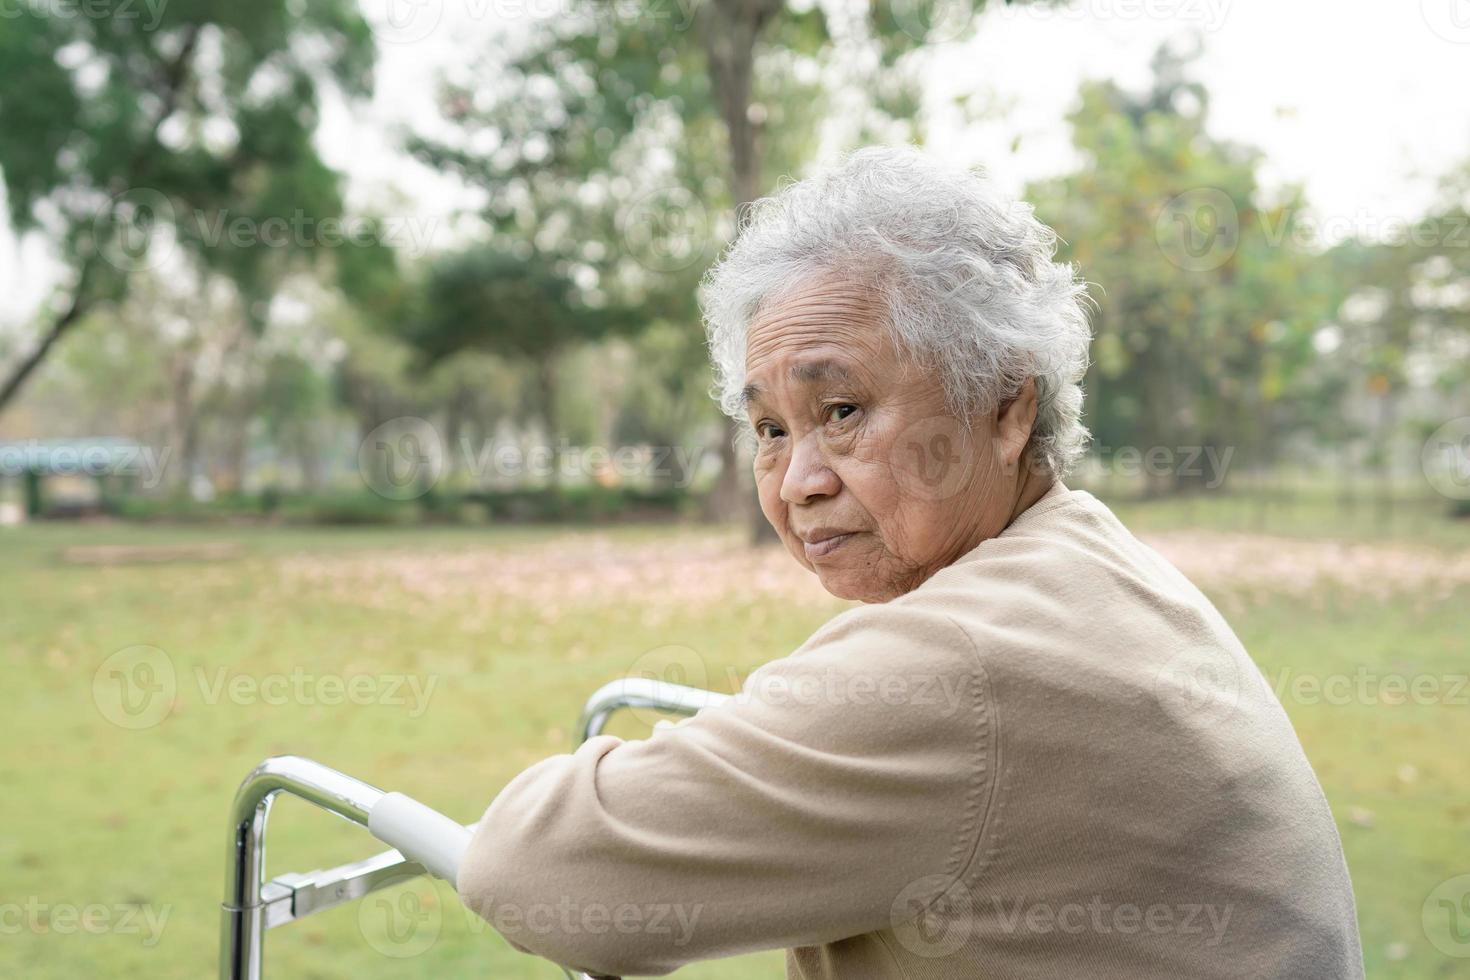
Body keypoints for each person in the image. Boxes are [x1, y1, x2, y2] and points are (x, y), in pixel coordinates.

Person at [456, 145, 1365, 979]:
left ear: (1006, 407)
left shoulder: (973, 661)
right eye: (770, 429)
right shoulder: (1083, 564)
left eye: (842, 410)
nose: (798, 480)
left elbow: (534, 868)